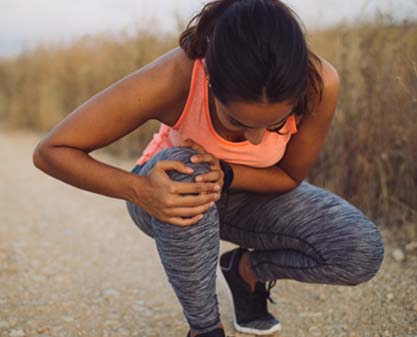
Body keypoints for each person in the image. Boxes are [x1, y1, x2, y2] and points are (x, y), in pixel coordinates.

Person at [32, 0, 385, 336]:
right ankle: (204, 328)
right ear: (210, 79)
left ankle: (244, 272)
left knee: (359, 250)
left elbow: (289, 177)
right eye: (237, 120)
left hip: (246, 192)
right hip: (163, 194)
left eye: (275, 122)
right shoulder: (177, 75)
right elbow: (52, 150)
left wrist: (228, 173)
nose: (258, 139)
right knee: (188, 171)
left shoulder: (320, 83)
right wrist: (141, 191)